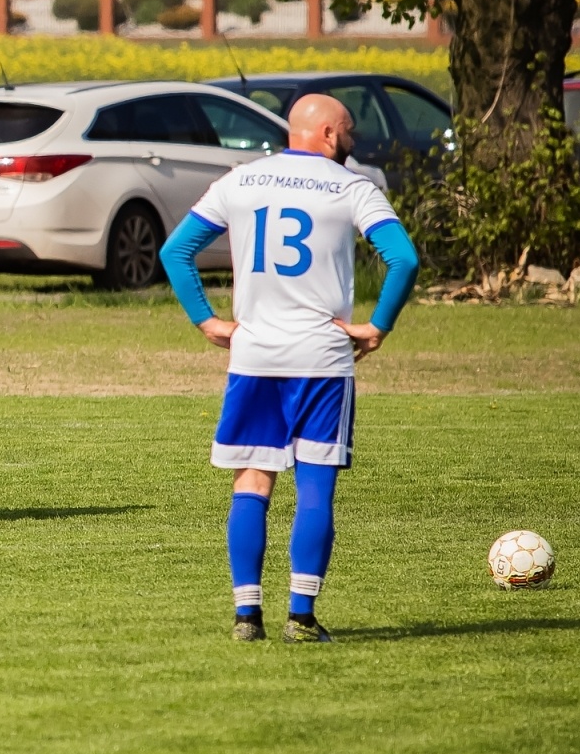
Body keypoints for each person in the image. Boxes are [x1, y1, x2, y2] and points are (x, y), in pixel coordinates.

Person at [159, 93, 419, 643]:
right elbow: (404, 258)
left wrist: (207, 321)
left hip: (254, 357)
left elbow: (175, 252)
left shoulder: (240, 181)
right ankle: (301, 617)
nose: (352, 141)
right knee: (316, 490)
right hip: (322, 360)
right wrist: (379, 324)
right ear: (327, 134)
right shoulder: (353, 188)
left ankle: (246, 617)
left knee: (252, 482)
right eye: (347, 131)